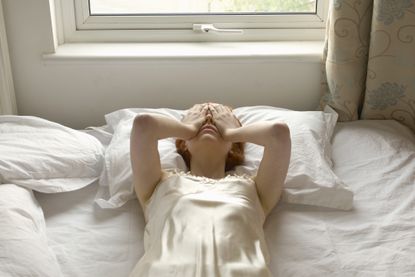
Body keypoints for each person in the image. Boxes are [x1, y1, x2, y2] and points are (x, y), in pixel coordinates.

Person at [129, 103, 291, 277]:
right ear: (183, 144)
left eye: (217, 120)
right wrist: (188, 128)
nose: (208, 122)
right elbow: (143, 125)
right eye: (200, 118)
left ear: (233, 147)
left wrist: (231, 133)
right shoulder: (158, 184)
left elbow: (278, 134)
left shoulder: (256, 190)